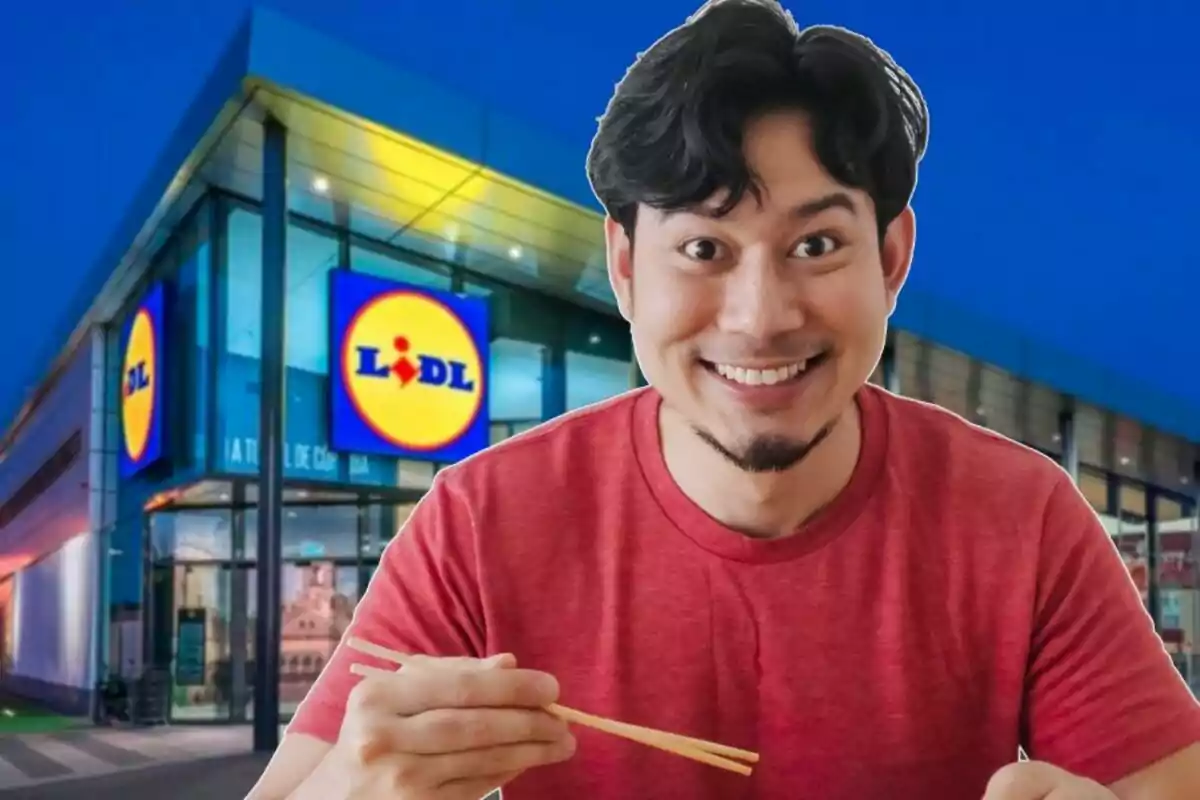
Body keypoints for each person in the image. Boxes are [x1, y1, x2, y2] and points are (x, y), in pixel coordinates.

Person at [248, 1, 1200, 798]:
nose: (761, 317)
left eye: (817, 245)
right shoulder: (481, 522)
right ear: (624, 269)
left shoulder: (1020, 517)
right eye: (704, 248)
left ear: (894, 258)